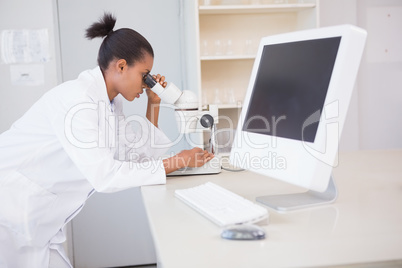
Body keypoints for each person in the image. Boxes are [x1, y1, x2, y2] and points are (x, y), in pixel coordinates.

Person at [0, 13, 214, 268]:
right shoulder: (77, 101)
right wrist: (177, 160)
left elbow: (139, 156)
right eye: (145, 75)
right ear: (121, 66)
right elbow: (106, 176)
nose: (148, 82)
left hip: (36, 222)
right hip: (10, 213)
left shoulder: (111, 104)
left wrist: (153, 102)